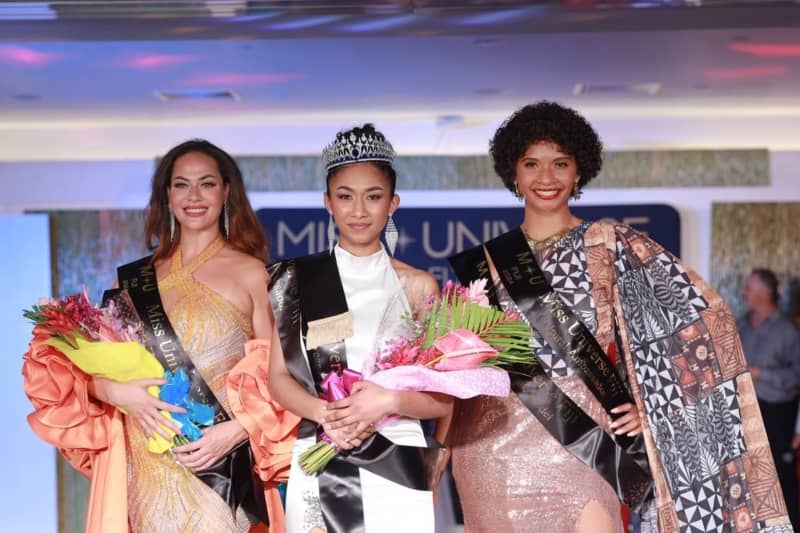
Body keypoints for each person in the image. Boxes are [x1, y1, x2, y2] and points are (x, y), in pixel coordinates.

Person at [444, 102, 792, 532]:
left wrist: (655, 406)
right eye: (532, 163)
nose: (546, 177)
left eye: (560, 163)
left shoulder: (613, 246)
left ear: (579, 171)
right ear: (513, 172)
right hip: (492, 448)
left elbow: (699, 328)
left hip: (584, 447)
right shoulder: (484, 265)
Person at [23, 139, 276, 532]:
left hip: (218, 464)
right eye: (181, 185)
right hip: (145, 464)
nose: (194, 196)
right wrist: (111, 392)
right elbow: (88, 370)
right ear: (166, 195)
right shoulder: (132, 279)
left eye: (206, 184)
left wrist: (237, 430)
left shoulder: (253, 274)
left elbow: (283, 374)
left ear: (227, 191)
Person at [266, 124, 452, 533]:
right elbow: (277, 377)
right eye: (345, 197)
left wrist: (387, 401)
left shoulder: (419, 286)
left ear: (393, 203)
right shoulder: (297, 281)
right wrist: (326, 413)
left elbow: (443, 400)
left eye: (374, 197)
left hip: (397, 457)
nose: (359, 211)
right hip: (320, 448)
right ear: (328, 203)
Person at [738, 268, 800, 527]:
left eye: (749, 289)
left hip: (778, 413)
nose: (743, 294)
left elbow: (796, 376)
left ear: (764, 294)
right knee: (749, 475)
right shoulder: (741, 325)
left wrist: (761, 374)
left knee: (780, 478)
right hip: (747, 409)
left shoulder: (787, 331)